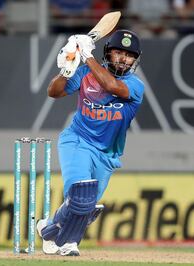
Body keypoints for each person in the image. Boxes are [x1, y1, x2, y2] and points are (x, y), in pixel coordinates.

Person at [36, 29, 144, 256]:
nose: (123, 58)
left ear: (135, 60)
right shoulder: (86, 72)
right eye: (118, 52)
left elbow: (113, 87)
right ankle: (69, 243)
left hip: (107, 155)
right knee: (81, 196)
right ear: (108, 53)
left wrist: (87, 55)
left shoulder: (135, 86)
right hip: (78, 141)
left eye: (129, 55)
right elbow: (53, 92)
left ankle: (48, 229)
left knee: (83, 208)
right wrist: (66, 70)